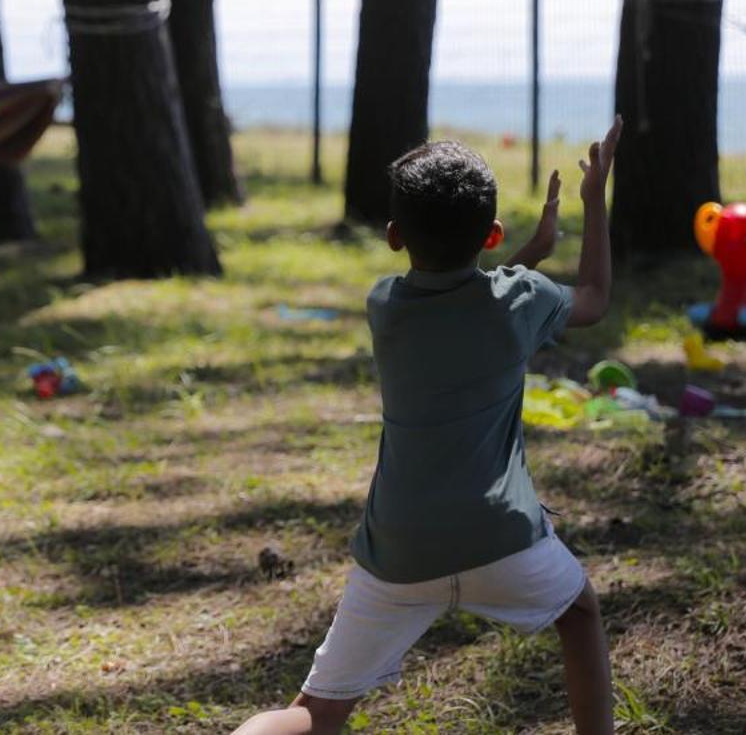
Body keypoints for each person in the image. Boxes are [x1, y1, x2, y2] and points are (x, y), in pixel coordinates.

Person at [233, 118, 624, 735]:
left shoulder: (384, 306)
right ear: (492, 235)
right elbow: (593, 296)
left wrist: (529, 257)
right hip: (501, 540)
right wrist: (592, 200)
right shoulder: (522, 301)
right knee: (579, 613)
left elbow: (470, 297)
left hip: (398, 551)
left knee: (315, 714)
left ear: (393, 236)